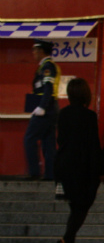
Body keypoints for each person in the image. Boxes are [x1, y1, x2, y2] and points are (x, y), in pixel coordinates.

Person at [54, 78, 104, 243]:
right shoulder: (89, 116)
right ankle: (66, 241)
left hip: (63, 166)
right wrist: (100, 169)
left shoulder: (63, 114)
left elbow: (61, 140)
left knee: (75, 207)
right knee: (82, 205)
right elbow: (93, 145)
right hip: (82, 167)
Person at [24, 39, 60, 181]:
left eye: (35, 50)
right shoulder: (45, 66)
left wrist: (42, 107)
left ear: (41, 51)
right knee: (48, 143)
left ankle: (34, 172)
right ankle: (50, 174)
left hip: (45, 108)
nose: (33, 53)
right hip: (50, 108)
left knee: (29, 138)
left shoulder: (48, 66)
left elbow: (48, 88)